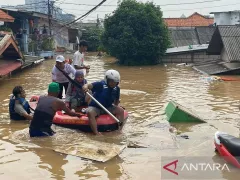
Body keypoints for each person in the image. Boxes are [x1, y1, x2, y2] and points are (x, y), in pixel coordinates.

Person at [82, 69, 125, 135]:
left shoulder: (117, 89)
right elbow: (88, 85)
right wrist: (85, 87)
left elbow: (116, 100)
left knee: (121, 111)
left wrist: (117, 106)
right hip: (96, 107)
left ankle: (119, 130)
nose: (113, 83)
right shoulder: (100, 84)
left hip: (108, 107)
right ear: (107, 79)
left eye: (115, 82)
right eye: (111, 81)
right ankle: (96, 133)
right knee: (90, 112)